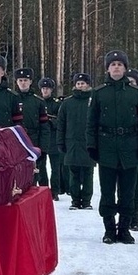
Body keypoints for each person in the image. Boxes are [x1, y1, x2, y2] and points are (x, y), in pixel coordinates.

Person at [86, 50, 138, 244]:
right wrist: (92, 146)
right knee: (107, 192)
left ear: (125, 68)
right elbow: (91, 122)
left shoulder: (136, 93)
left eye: (120, 64)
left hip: (130, 148)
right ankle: (109, 229)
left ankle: (124, 229)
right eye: (112, 64)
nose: (116, 67)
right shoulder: (99, 93)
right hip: (106, 148)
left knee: (128, 192)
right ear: (107, 68)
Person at [57, 73, 95, 210]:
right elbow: (61, 124)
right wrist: (60, 142)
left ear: (88, 85)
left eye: (83, 83)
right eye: (78, 83)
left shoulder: (93, 101)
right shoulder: (67, 103)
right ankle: (75, 200)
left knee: (88, 173)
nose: (80, 86)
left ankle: (86, 201)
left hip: (88, 143)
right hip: (71, 143)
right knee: (73, 174)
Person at [14, 68, 50, 186]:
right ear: (16, 82)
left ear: (30, 82)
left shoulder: (38, 102)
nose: (23, 83)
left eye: (25, 80)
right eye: (20, 80)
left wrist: (43, 148)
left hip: (33, 141)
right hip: (16, 141)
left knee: (33, 175)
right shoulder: (12, 99)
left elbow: (44, 126)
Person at [37, 77, 64, 199]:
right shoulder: (38, 102)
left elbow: (61, 122)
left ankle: (55, 191)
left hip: (53, 140)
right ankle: (43, 189)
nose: (45, 91)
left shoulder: (57, 104)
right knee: (41, 167)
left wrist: (50, 121)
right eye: (43, 88)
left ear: (51, 90)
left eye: (47, 88)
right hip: (42, 139)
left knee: (55, 168)